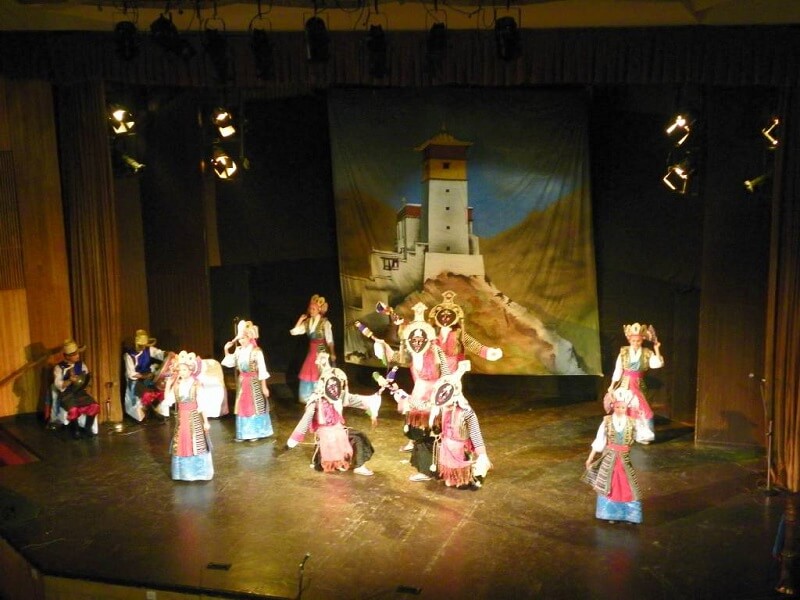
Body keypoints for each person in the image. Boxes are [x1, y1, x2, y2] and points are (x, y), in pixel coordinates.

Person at [286, 346, 380, 476]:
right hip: (326, 436)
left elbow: (357, 400)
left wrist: (372, 407)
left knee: (358, 437)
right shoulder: (316, 401)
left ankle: (359, 466)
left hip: (338, 431)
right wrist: (294, 439)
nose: (337, 387)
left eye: (339, 384)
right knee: (351, 439)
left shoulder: (339, 396)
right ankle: (334, 461)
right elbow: (305, 420)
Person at [584, 387, 654, 524]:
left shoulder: (632, 423)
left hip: (624, 458)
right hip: (610, 457)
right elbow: (600, 440)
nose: (620, 409)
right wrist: (590, 458)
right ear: (613, 406)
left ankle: (629, 515)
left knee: (627, 484)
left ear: (626, 407)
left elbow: (645, 435)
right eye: (617, 407)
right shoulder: (607, 422)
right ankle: (609, 513)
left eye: (623, 407)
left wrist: (642, 419)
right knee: (609, 484)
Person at [427, 360, 492, 489]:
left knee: (462, 478)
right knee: (448, 474)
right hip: (447, 446)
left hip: (460, 447)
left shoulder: (466, 413)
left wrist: (482, 454)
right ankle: (450, 476)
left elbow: (475, 433)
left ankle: (463, 477)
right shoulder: (442, 409)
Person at [162, 351, 214, 481]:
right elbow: (168, 401)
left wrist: (206, 421)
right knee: (182, 442)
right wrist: (168, 385)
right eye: (180, 370)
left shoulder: (196, 385)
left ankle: (199, 473)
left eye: (184, 370)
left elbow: (202, 404)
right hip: (182, 419)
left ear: (190, 370)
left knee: (196, 443)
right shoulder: (177, 385)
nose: (182, 372)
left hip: (194, 417)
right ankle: (184, 473)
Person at [607, 322, 664, 440]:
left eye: (638, 341)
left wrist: (656, 349)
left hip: (638, 384)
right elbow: (618, 369)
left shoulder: (647, 353)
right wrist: (612, 385)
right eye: (633, 341)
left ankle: (643, 435)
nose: (636, 343)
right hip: (625, 384)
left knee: (642, 408)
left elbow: (657, 364)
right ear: (629, 340)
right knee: (624, 407)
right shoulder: (623, 352)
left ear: (642, 340)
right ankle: (624, 434)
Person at [221, 319, 273, 442]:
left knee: (254, 406)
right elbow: (230, 362)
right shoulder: (239, 351)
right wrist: (226, 350)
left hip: (253, 382)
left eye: (243, 338)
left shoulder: (256, 352)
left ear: (249, 338)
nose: (240, 341)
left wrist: (264, 386)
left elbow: (262, 369)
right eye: (239, 339)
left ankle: (255, 432)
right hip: (242, 381)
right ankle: (243, 433)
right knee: (242, 406)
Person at [428, 290, 503, 374]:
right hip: (434, 367)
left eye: (449, 316)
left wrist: (487, 352)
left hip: (452, 367)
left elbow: (469, 342)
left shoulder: (457, 332)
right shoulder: (432, 331)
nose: (445, 318)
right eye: (443, 315)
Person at [50, 338, 100, 439]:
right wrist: (69, 381)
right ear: (67, 356)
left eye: (77, 353)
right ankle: (76, 430)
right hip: (66, 394)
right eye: (74, 354)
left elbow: (85, 377)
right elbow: (57, 384)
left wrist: (87, 382)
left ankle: (87, 427)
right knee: (73, 409)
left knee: (95, 405)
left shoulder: (81, 365)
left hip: (80, 392)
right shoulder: (59, 368)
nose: (78, 356)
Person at [290, 294, 335, 404]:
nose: (311, 311)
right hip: (312, 350)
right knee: (308, 369)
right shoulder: (308, 322)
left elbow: (329, 339)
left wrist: (332, 353)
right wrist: (300, 320)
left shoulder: (325, 323)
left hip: (321, 349)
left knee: (320, 371)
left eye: (314, 309)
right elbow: (294, 332)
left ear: (319, 309)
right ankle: (308, 397)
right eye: (310, 308)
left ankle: (322, 395)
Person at [123, 329, 169, 422]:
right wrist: (145, 376)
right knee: (146, 394)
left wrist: (167, 353)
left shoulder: (148, 350)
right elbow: (131, 374)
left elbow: (159, 353)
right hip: (136, 381)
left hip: (148, 378)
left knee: (162, 390)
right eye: (141, 345)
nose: (143, 347)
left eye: (144, 345)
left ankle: (152, 410)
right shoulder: (129, 355)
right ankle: (152, 413)